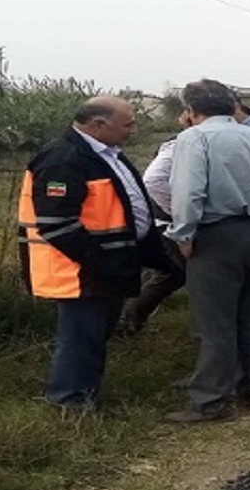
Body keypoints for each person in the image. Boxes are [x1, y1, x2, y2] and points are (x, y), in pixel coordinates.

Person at [163, 80, 250, 422]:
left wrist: (183, 235)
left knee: (214, 321)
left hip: (219, 236)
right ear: (233, 106)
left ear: (191, 111)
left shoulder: (194, 138)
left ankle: (211, 399)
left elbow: (188, 193)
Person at [17, 95, 162, 410]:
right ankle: (70, 403)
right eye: (128, 124)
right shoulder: (63, 159)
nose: (133, 130)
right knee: (80, 340)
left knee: (95, 338)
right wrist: (104, 262)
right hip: (80, 272)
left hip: (107, 265)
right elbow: (57, 225)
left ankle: (86, 396)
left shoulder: (106, 154)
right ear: (98, 125)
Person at [117, 110, 192, 336]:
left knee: (168, 272)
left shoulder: (190, 143)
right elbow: (153, 180)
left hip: (168, 220)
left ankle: (126, 321)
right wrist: (178, 213)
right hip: (169, 222)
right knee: (172, 273)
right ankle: (125, 325)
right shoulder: (178, 145)